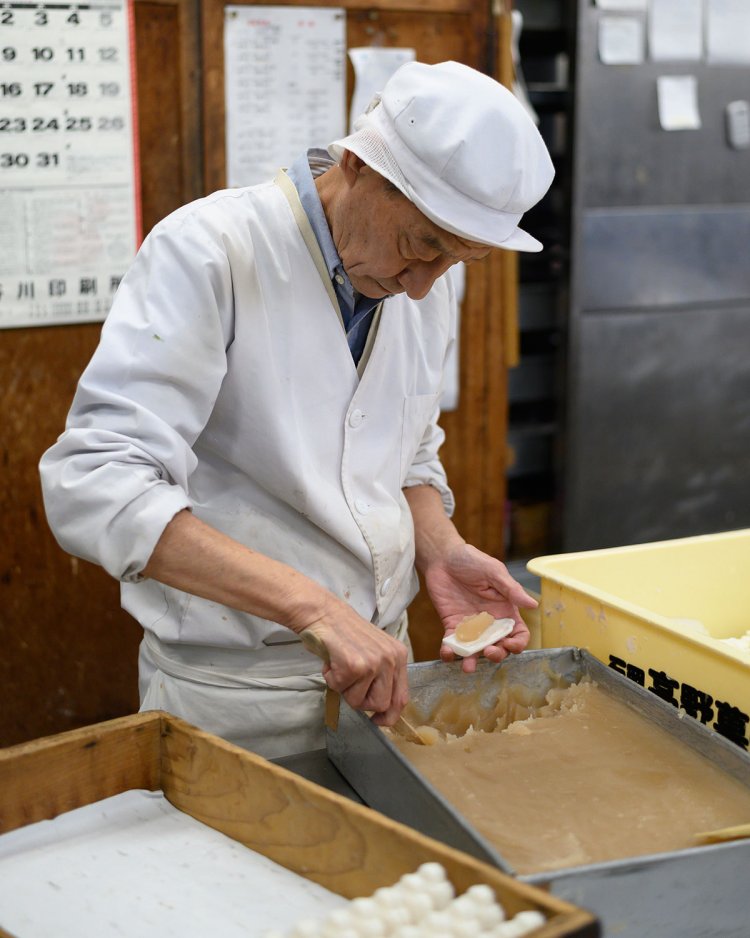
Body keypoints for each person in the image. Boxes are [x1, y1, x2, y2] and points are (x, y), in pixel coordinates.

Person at [39, 61, 555, 759]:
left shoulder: (420, 288)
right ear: (358, 164)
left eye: (458, 259)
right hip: (234, 697)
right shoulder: (212, 252)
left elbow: (406, 448)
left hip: (382, 680)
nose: (425, 284)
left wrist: (439, 548)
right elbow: (97, 485)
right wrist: (315, 608)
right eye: (423, 244)